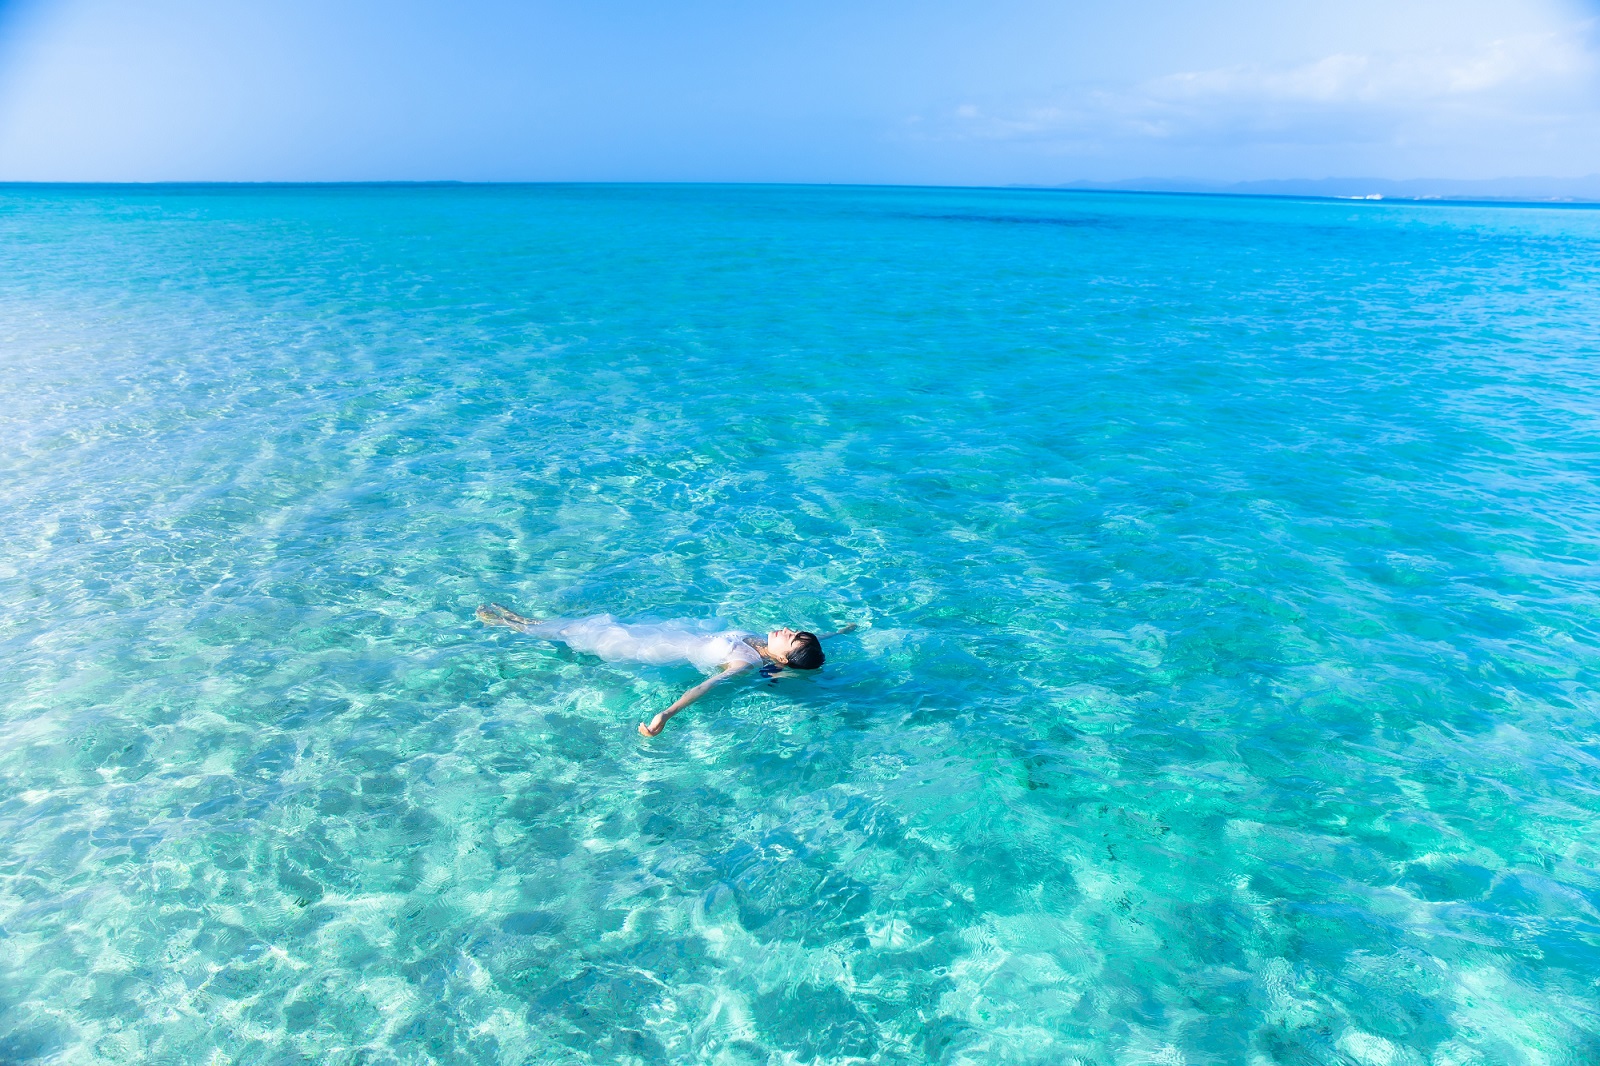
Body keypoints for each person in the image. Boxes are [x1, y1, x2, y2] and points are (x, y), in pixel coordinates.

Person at [476, 604, 856, 737]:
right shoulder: (764, 645)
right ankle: (520, 622)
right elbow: (811, 646)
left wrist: (666, 714)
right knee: (574, 627)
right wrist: (838, 633)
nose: (787, 631)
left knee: (575, 634)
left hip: (646, 647)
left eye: (791, 639)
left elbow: (706, 686)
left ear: (784, 660)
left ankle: (512, 625)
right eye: (794, 632)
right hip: (667, 633)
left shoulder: (745, 663)